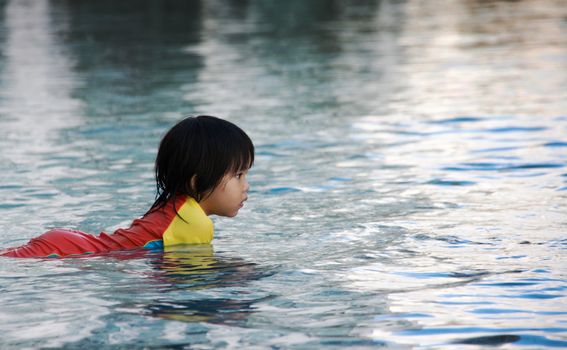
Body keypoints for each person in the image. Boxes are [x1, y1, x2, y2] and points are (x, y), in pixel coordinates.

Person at [0, 115, 253, 258]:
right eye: (238, 175)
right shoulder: (193, 221)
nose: (246, 186)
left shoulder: (176, 208)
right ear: (196, 181)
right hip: (68, 250)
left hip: (69, 243)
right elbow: (186, 280)